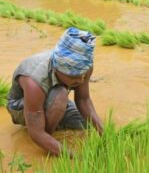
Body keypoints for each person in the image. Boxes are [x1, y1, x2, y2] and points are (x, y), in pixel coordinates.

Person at [6, 27, 104, 156]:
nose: (80, 80)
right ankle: (49, 135)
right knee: (60, 95)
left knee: (85, 124)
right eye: (74, 76)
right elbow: (36, 133)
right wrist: (74, 156)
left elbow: (83, 100)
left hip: (53, 97)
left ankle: (53, 121)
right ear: (59, 69)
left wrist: (104, 133)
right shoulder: (33, 79)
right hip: (23, 105)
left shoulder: (83, 65)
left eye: (83, 74)